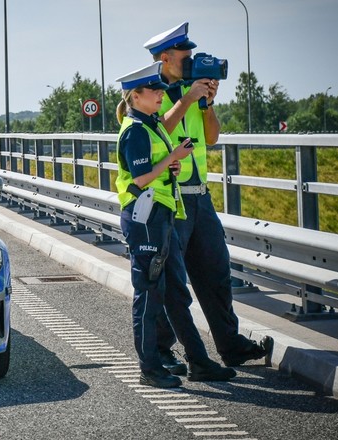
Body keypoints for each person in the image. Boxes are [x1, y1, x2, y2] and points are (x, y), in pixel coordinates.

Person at [143, 22, 274, 369]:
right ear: (166, 58)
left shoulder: (192, 92)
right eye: (187, 57)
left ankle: (230, 346)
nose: (193, 62)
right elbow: (158, 132)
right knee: (171, 282)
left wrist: (206, 104)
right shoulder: (149, 94)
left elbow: (212, 137)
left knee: (217, 272)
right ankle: (161, 349)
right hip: (169, 199)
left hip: (200, 198)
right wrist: (186, 100)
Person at [115, 61, 236, 388]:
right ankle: (149, 369)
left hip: (160, 214)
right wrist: (172, 160)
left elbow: (155, 168)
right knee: (149, 297)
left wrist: (168, 166)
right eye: (153, 90)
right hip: (145, 219)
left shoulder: (150, 124)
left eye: (159, 89)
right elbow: (139, 178)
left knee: (174, 294)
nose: (159, 94)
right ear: (135, 96)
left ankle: (199, 361)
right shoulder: (136, 130)